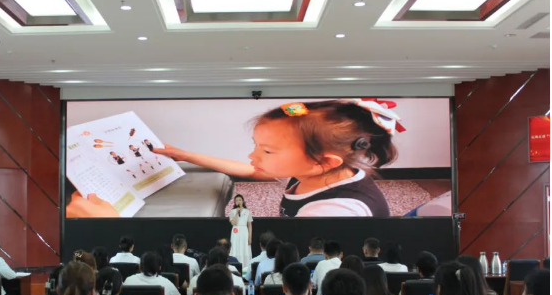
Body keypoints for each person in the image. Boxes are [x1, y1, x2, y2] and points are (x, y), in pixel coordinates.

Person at [154, 99, 403, 217]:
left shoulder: (333, 210)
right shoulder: (319, 170)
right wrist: (184, 155)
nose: (252, 155)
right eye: (257, 146)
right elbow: (251, 170)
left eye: (267, 151)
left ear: (325, 161)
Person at [228, 194, 253, 265]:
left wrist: (250, 237)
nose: (238, 201)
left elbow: (249, 225)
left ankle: (245, 265)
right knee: (235, 247)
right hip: (235, 231)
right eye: (236, 200)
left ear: (243, 201)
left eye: (240, 200)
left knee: (244, 248)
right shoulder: (232, 211)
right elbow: (233, 223)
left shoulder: (247, 211)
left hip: (244, 231)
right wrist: (237, 213)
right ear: (235, 202)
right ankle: (235, 264)